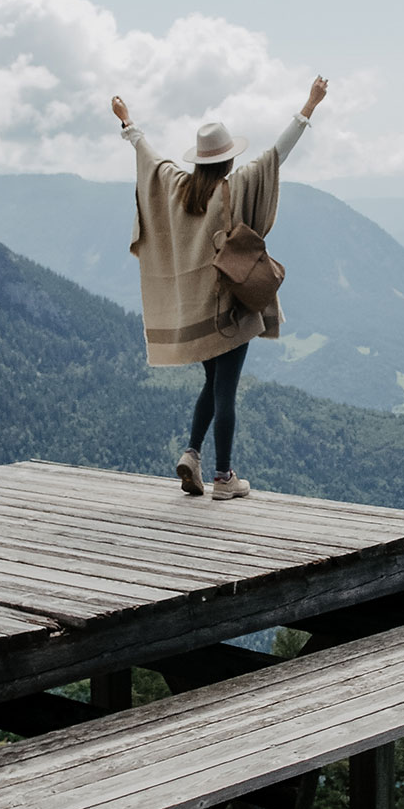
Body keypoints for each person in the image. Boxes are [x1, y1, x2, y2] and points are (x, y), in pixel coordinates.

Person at [111, 76, 328, 500]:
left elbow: (150, 158)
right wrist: (309, 106)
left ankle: (191, 454)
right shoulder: (237, 186)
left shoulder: (178, 187)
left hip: (194, 310)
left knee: (212, 386)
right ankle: (225, 478)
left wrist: (127, 123)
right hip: (229, 307)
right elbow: (275, 155)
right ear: (227, 160)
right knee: (227, 392)